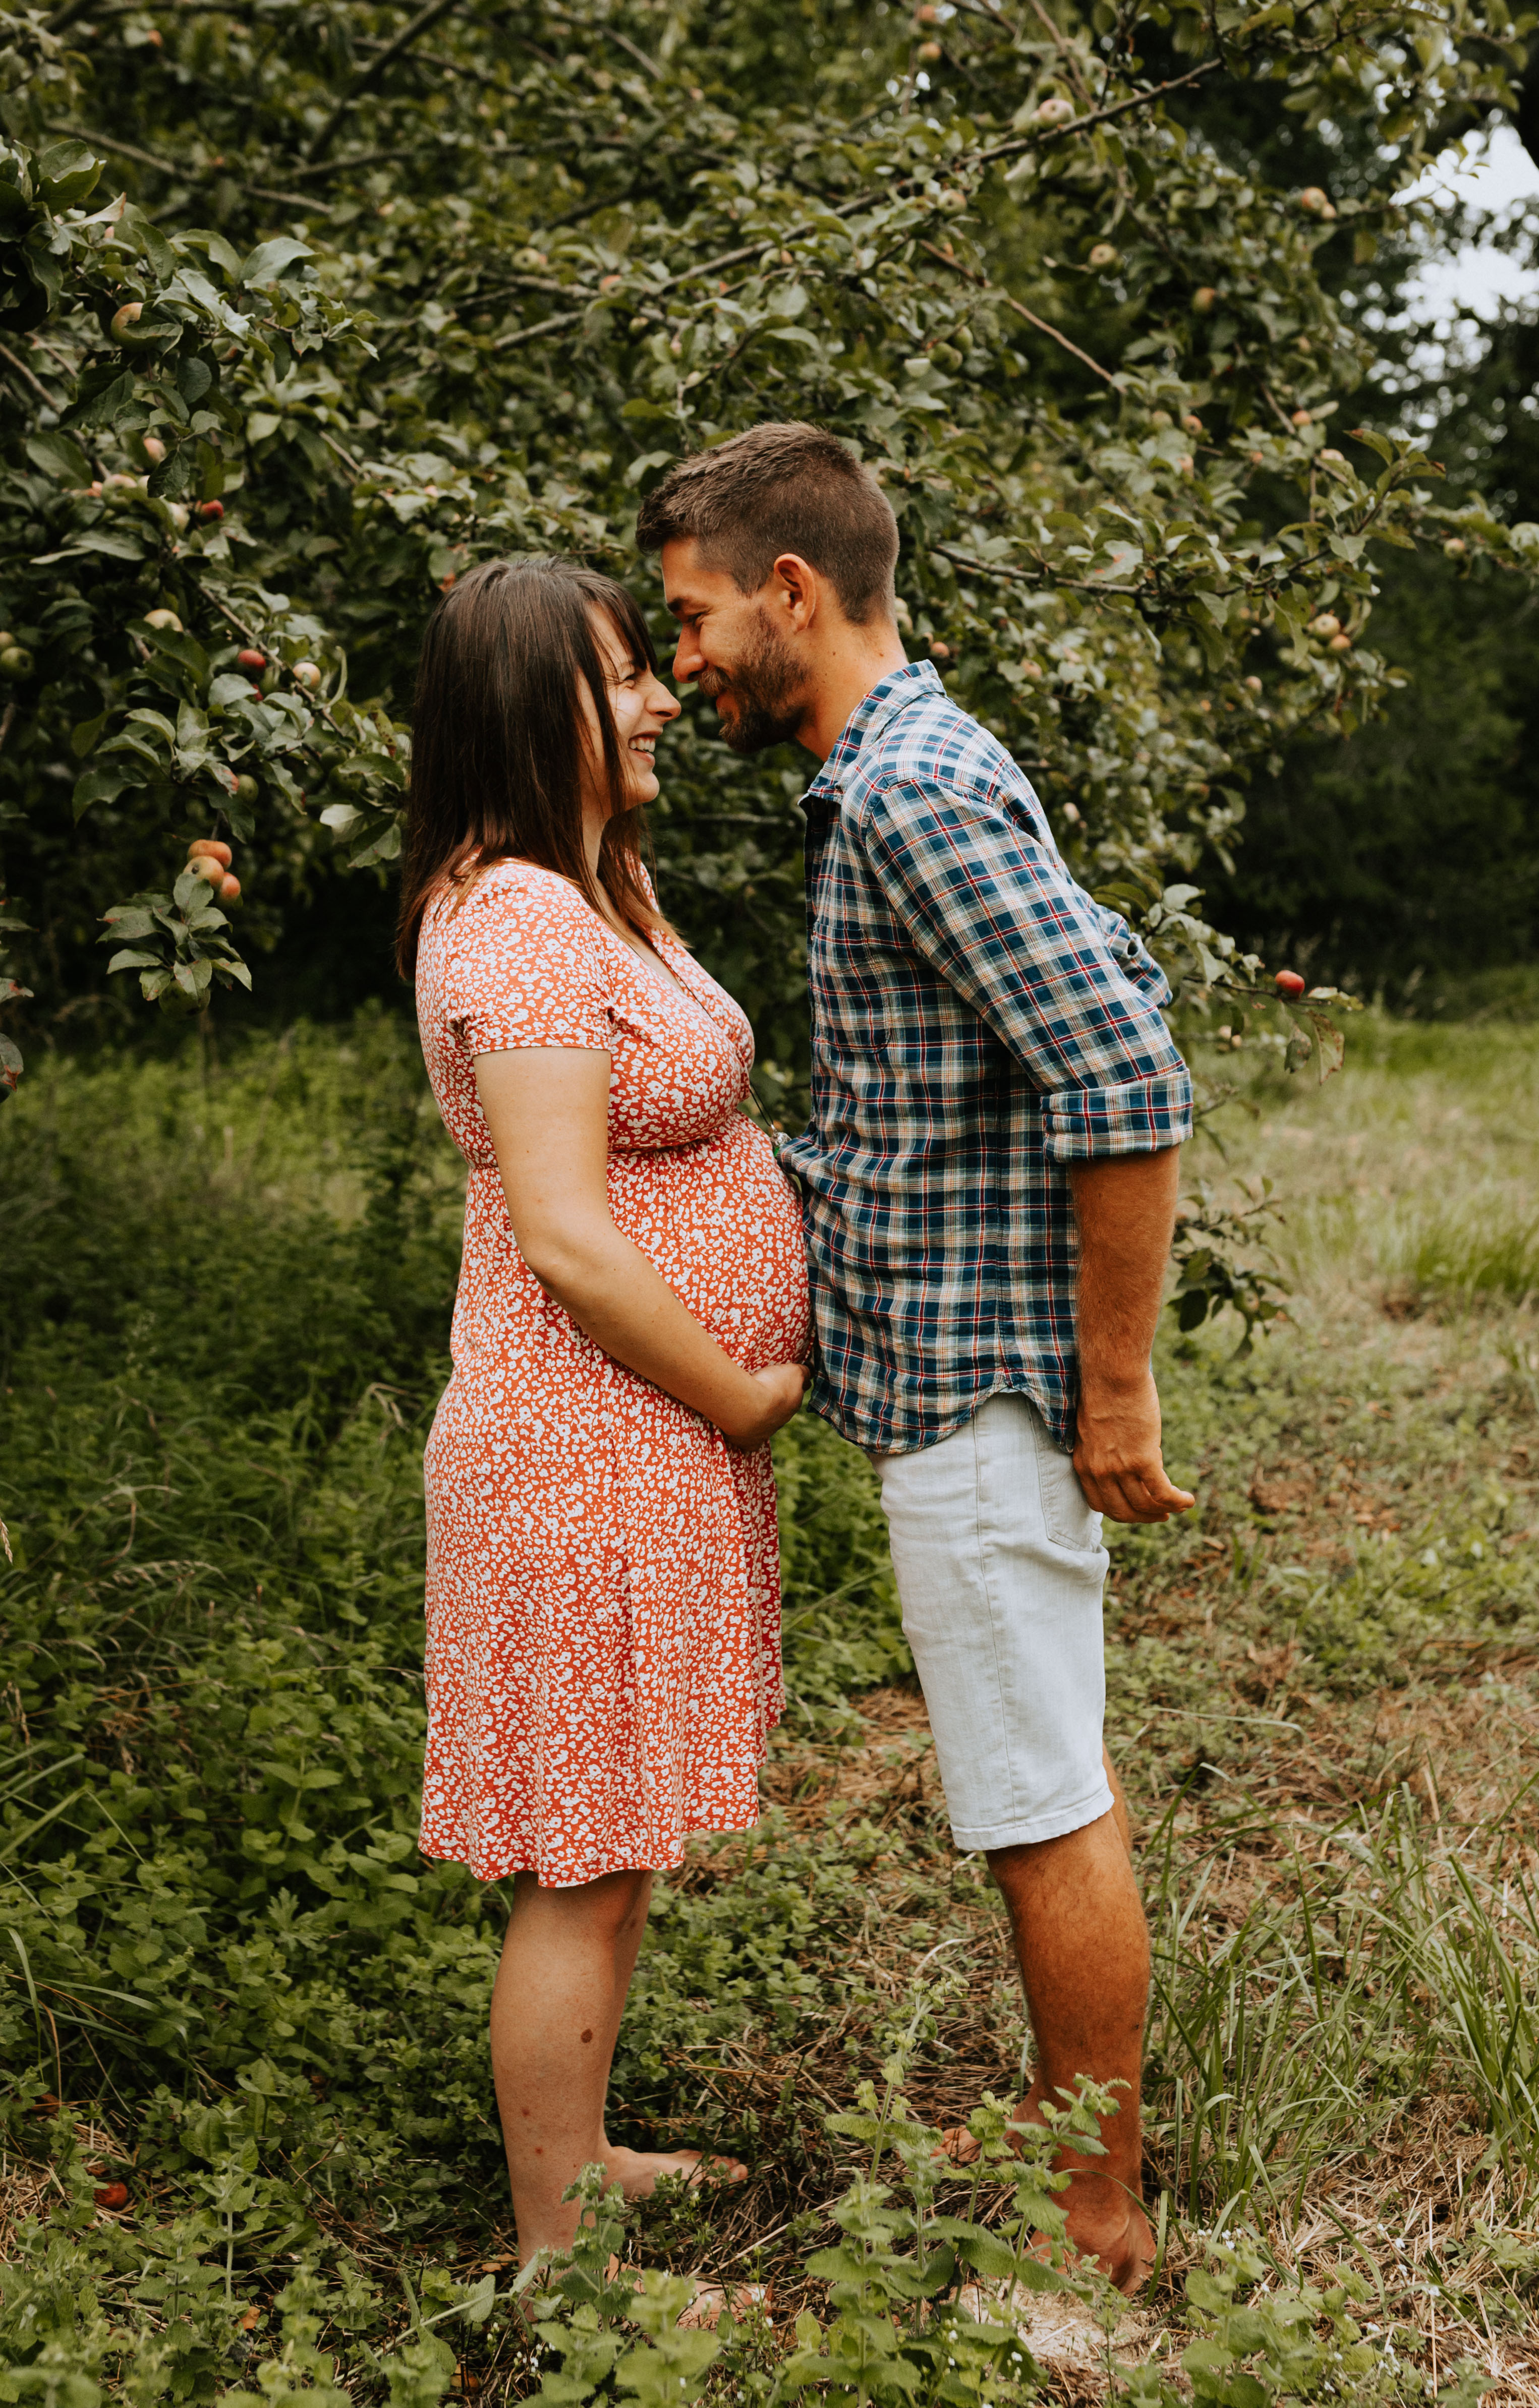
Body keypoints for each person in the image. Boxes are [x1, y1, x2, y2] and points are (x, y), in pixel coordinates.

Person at [637, 424, 1196, 2295]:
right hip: (951, 1381)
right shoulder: (896, 770)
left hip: (991, 1401)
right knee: (1026, 1787)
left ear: (791, 591)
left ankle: (1098, 2209)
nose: (682, 658)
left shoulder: (910, 797)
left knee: (1038, 1804)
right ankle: (1069, 2122)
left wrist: (1114, 1394)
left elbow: (1123, 1077)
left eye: (696, 615)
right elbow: (924, 1115)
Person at [396, 556, 811, 2269]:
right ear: (527, 706)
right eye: (622, 677)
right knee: (579, 1853)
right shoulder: (520, 923)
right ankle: (552, 2251)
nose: (657, 701)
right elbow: (565, 1234)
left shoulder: (592, 890)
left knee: (611, 1835)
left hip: (622, 1446)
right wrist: (743, 1389)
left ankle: (588, 2156)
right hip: (582, 1441)